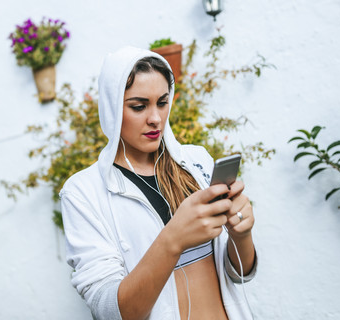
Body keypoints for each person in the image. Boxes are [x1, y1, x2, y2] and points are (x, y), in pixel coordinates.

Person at [60, 46, 257, 320]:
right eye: (139, 106)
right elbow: (110, 311)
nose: (155, 118)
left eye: (162, 103)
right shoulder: (83, 192)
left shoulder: (195, 161)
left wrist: (241, 234)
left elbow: (239, 274)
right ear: (112, 107)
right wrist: (172, 239)